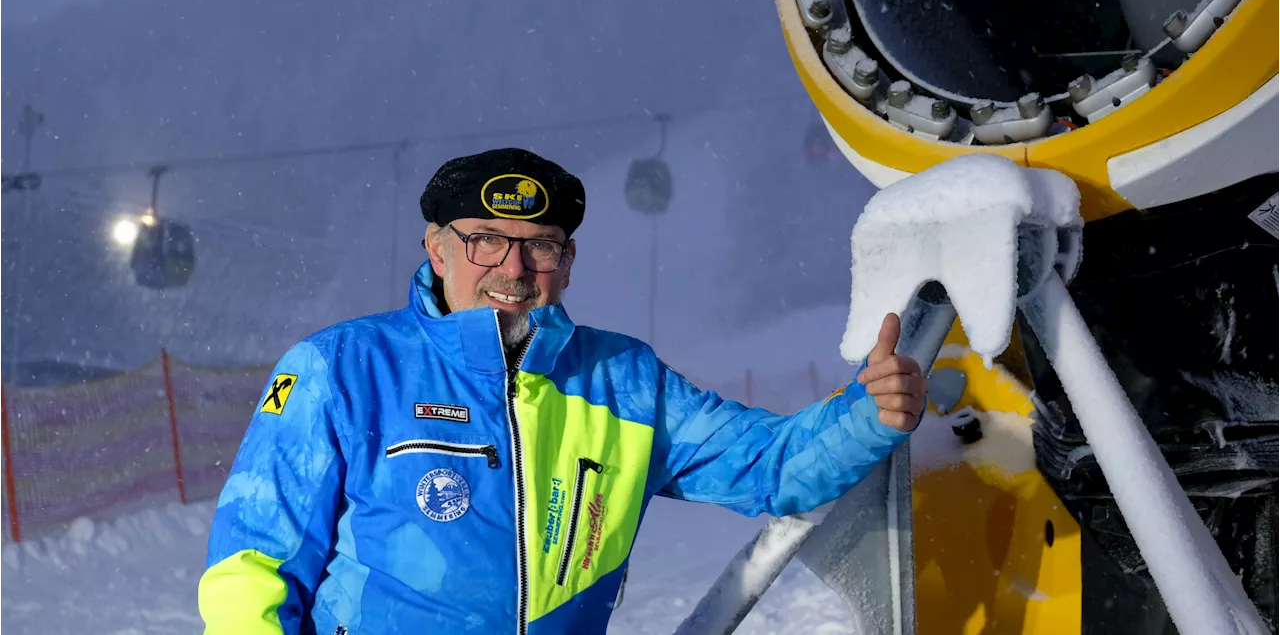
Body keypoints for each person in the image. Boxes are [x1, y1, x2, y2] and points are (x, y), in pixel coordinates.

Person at [197, 147, 927, 634]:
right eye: (485, 237)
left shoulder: (625, 383)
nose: (512, 267)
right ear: (437, 247)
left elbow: (771, 467)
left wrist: (869, 414)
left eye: (540, 243)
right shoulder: (342, 369)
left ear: (568, 260)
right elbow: (251, 566)